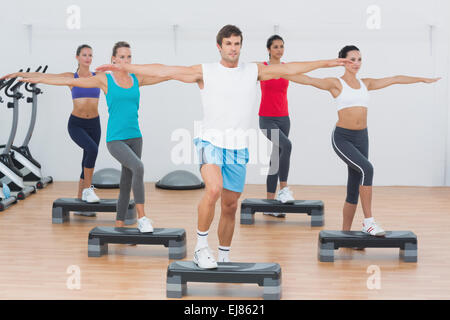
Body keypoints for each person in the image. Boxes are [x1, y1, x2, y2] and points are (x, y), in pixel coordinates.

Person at [96, 25, 353, 268]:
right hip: (210, 142)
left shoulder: (254, 70)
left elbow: (291, 69)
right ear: (219, 46)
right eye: (228, 43)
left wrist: (328, 62)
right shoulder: (205, 71)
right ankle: (201, 248)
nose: (233, 48)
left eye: (237, 44)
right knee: (214, 189)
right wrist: (126, 66)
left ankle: (225, 256)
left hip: (238, 148)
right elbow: (165, 70)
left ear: (241, 46)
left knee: (230, 205)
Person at [285, 45, 440, 236]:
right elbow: (307, 80)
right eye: (352, 59)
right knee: (368, 169)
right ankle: (369, 222)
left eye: (359, 59)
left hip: (362, 138)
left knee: (353, 188)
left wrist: (422, 79)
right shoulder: (336, 83)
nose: (356, 63)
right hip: (342, 138)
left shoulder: (366, 83)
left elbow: (395, 79)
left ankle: (345, 235)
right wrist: (279, 72)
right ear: (342, 61)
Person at [20, 41, 171, 232]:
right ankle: (143, 218)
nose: (126, 60)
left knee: (126, 181)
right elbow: (71, 81)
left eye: (129, 57)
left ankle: (119, 225)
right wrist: (36, 78)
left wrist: (186, 75)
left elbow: (162, 73)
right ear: (113, 59)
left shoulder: (136, 78)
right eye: (122, 57)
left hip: (136, 137)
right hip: (115, 139)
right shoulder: (104, 79)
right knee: (138, 167)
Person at [2, 45, 102, 216]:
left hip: (95, 124)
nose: (88, 58)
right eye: (84, 55)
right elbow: (46, 77)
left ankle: (80, 204)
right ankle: (88, 191)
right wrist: (19, 75)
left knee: (87, 159)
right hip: (76, 124)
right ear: (77, 57)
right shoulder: (71, 77)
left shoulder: (98, 77)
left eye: (90, 55)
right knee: (92, 150)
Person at [257, 35, 294, 218]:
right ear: (269, 49)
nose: (279, 50)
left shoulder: (286, 68)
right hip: (266, 119)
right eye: (276, 47)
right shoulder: (262, 68)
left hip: (284, 118)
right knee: (287, 146)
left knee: (275, 159)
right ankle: (284, 189)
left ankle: (270, 205)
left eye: (281, 46)